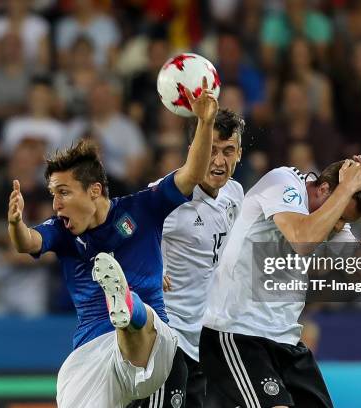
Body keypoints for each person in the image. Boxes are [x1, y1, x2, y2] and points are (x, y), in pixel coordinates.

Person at [7, 78, 218, 408]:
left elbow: (191, 174)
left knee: (143, 330)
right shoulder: (62, 232)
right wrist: (16, 223)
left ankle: (128, 306)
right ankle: (126, 307)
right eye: (52, 195)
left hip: (152, 342)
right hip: (91, 356)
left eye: (63, 193)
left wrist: (205, 123)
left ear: (93, 191)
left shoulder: (142, 208)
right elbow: (28, 242)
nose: (56, 204)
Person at [200, 156, 361, 408]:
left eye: (347, 221)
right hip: (236, 332)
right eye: (341, 215)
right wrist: (346, 189)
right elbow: (302, 239)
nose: (340, 225)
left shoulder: (332, 217)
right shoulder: (283, 181)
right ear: (324, 189)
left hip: (285, 339)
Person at [131, 109, 245, 408]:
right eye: (210, 149)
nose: (219, 161)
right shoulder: (166, 197)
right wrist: (148, 265)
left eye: (228, 151)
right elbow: (116, 236)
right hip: (162, 337)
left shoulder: (234, 194)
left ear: (240, 154)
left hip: (200, 343)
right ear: (194, 150)